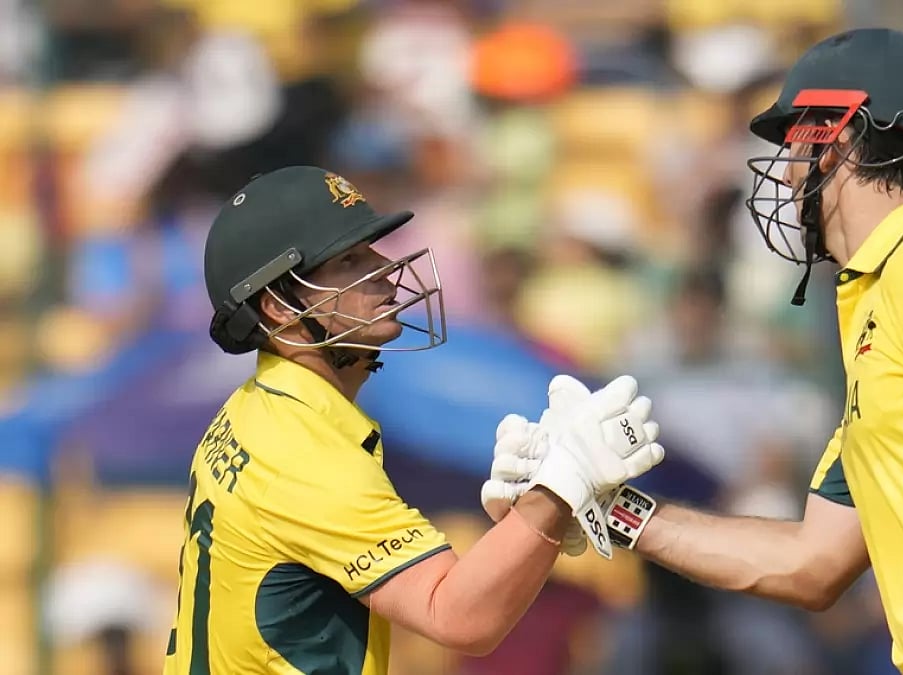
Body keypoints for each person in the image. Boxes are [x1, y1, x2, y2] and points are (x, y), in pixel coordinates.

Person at [485, 28, 903, 675]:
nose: (781, 173)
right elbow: (810, 562)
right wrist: (607, 505)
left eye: (793, 142)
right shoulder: (886, 295)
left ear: (837, 138)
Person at [163, 165, 665, 674]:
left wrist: (528, 523)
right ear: (277, 307)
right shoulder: (302, 451)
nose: (383, 269)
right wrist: (562, 486)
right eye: (349, 260)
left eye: (372, 249)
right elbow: (459, 618)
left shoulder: (257, 409)